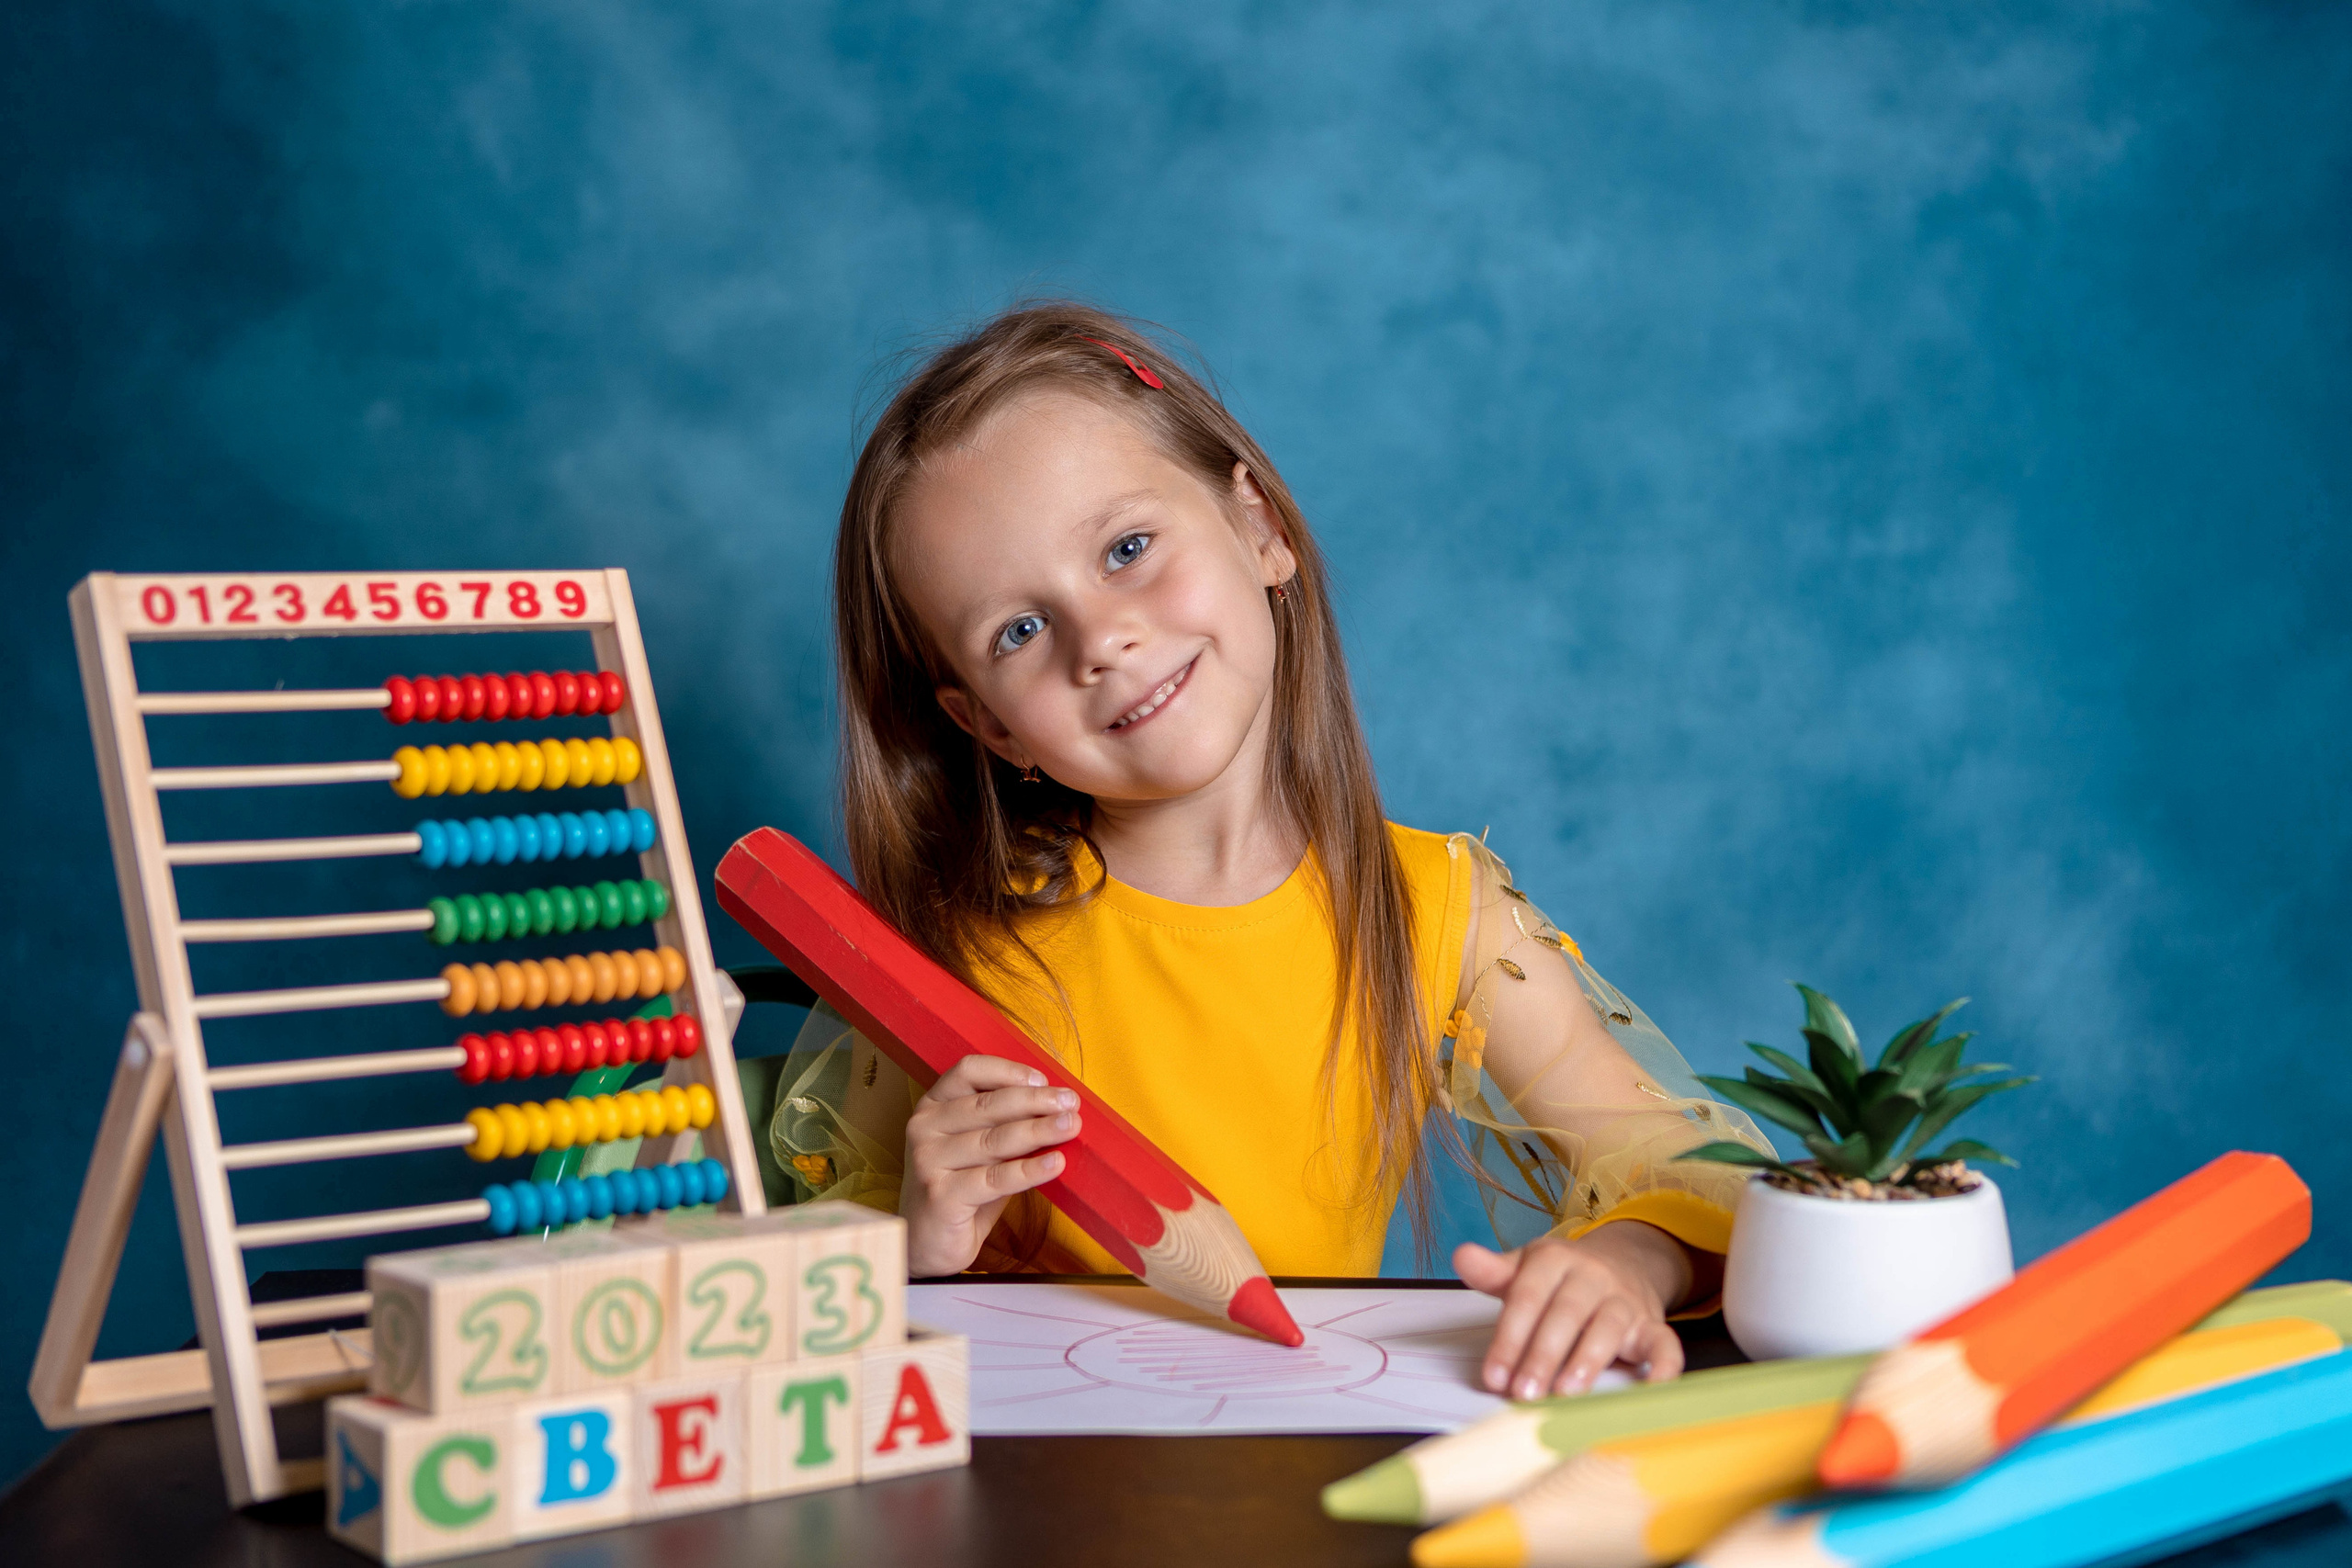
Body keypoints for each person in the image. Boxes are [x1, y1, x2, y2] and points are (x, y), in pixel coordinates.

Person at [765, 302, 1775, 1401]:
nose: (1101, 640)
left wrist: (1626, 1260)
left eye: (1127, 550)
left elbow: (1696, 1170)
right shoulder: (949, 954)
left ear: (1258, 528)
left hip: (1298, 1459)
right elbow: (799, 1306)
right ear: (987, 726)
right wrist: (917, 1241)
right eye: (1017, 630)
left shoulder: (1433, 907)